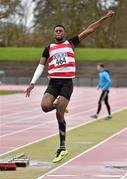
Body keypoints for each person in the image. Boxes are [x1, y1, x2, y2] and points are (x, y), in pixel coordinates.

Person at [25, 11, 115, 163]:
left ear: (64, 33)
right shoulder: (49, 48)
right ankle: (59, 104)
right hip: (53, 83)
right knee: (45, 106)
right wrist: (32, 83)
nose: (58, 32)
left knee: (59, 113)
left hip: (66, 83)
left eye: (61, 30)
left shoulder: (71, 43)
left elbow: (90, 29)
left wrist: (105, 17)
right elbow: (40, 66)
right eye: (56, 30)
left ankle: (62, 147)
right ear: (54, 34)